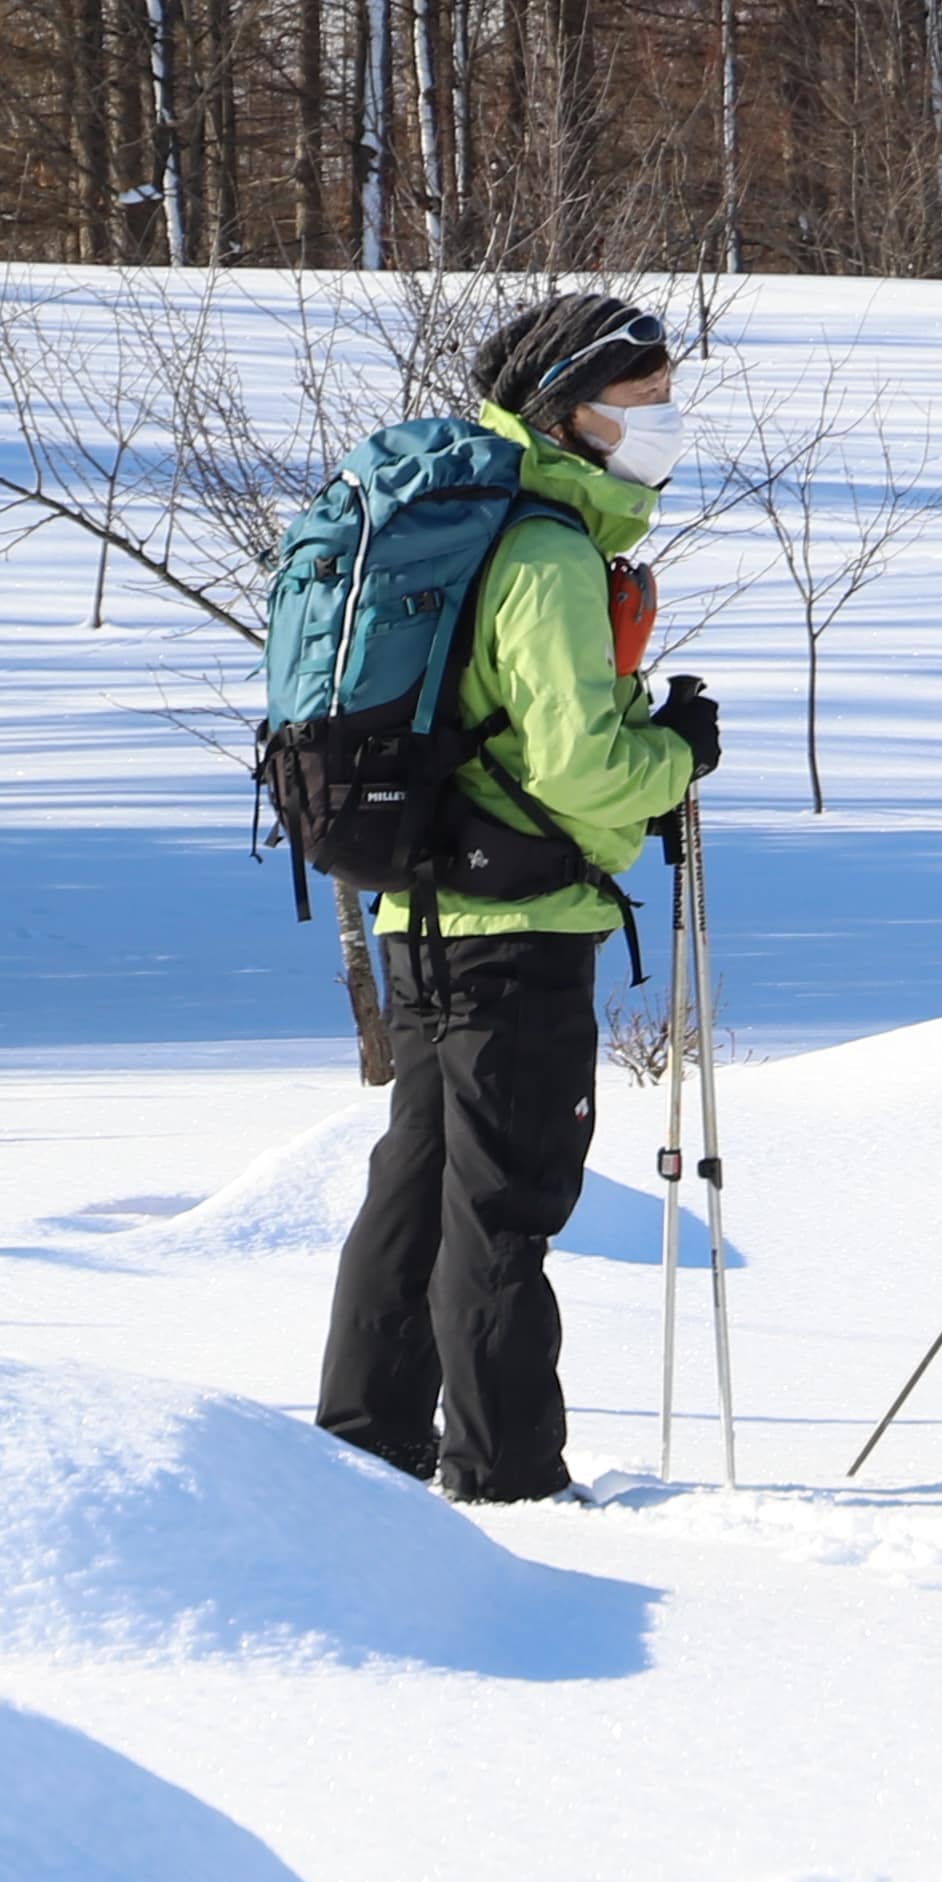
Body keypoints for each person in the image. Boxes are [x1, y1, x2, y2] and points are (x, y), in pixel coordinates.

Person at [316, 290, 717, 1506]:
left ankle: (365, 1443)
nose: (663, 419)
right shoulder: (543, 551)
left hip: (427, 909)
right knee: (504, 1199)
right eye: (641, 400)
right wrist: (679, 756)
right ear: (572, 410)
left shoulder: (505, 530)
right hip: (517, 919)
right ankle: (506, 1470)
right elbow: (579, 764)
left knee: (422, 1182)